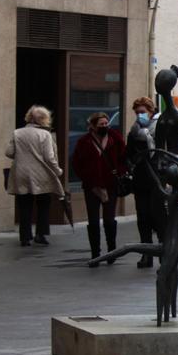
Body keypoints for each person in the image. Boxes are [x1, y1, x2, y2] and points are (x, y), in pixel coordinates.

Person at [6, 105, 64, 246]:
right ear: (44, 120)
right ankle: (41, 234)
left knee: (24, 205)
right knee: (43, 204)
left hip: (21, 173)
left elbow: (9, 152)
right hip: (41, 175)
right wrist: (58, 171)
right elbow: (49, 158)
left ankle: (25, 237)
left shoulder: (17, 133)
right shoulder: (45, 135)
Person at [73, 111, 126, 264]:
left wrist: (120, 171)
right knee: (93, 221)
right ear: (93, 126)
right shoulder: (84, 141)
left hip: (110, 184)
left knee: (109, 220)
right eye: (101, 124)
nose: (104, 126)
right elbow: (76, 162)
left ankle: (112, 251)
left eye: (106, 124)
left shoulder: (115, 138)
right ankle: (95, 253)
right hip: (92, 186)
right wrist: (86, 176)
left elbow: (124, 158)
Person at [126, 96, 161, 268]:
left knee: (158, 218)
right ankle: (147, 254)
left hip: (156, 178)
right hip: (141, 178)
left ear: (151, 111)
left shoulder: (159, 127)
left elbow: (161, 152)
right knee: (143, 218)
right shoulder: (133, 131)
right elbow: (129, 154)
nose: (140, 115)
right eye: (137, 112)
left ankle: (163, 252)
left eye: (142, 112)